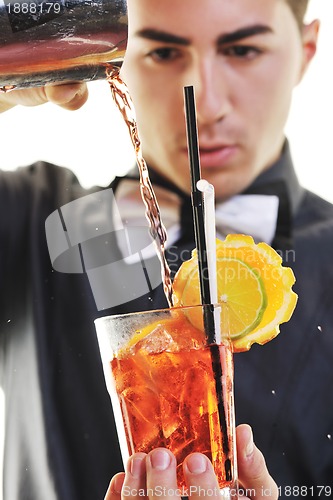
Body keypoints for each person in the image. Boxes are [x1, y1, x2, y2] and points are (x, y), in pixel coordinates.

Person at [1, 0, 332, 498]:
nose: (209, 102)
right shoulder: (34, 219)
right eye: (161, 52)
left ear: (306, 51)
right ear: (113, 57)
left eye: (242, 49)